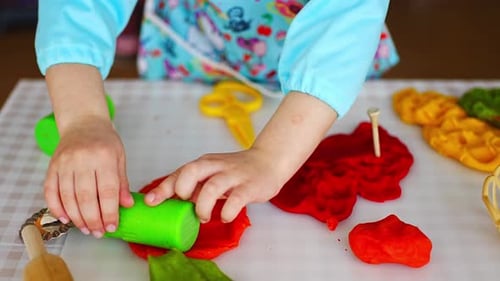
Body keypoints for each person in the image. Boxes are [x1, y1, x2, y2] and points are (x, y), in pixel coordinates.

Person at [35, 0, 398, 239]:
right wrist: (83, 118)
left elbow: (343, 21)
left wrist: (273, 156)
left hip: (326, 75)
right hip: (192, 45)